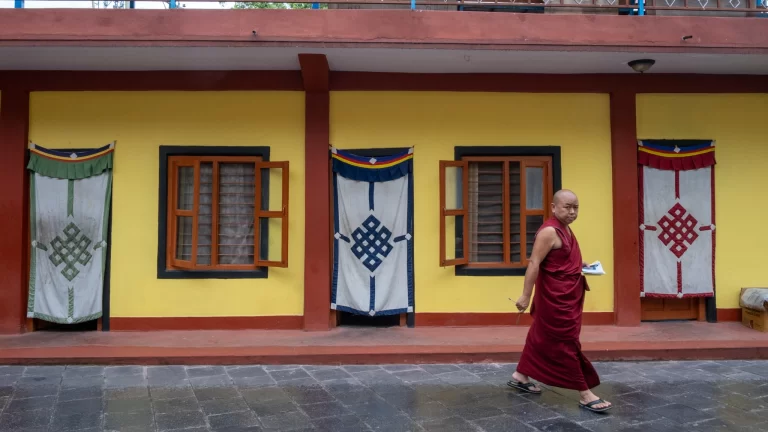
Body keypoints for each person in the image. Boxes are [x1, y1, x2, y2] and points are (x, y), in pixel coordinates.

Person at [507, 189, 612, 413]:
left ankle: (520, 375)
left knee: (540, 335)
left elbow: (560, 261)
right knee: (566, 342)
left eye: (576, 207)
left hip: (567, 293)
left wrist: (581, 267)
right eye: (567, 207)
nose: (572, 212)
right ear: (554, 207)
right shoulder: (549, 231)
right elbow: (534, 263)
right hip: (555, 299)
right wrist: (525, 295)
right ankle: (584, 393)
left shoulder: (565, 229)